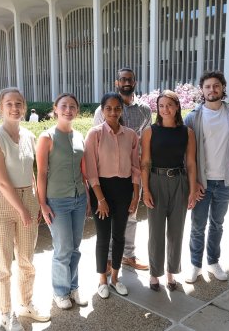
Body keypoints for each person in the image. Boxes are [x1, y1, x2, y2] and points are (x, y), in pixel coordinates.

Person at [0, 87, 50, 331]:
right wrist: (23, 210)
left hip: (27, 198)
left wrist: (35, 202)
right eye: (9, 103)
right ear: (1, 107)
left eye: (19, 103)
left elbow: (31, 173)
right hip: (1, 203)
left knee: (26, 261)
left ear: (25, 106)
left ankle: (26, 304)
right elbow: (1, 180)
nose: (15, 108)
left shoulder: (29, 136)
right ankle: (5, 313)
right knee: (2, 265)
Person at [184, 71, 229, 283]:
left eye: (216, 86)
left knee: (217, 224)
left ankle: (213, 262)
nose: (212, 90)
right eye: (207, 86)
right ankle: (195, 264)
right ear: (202, 91)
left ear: (222, 87)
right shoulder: (192, 117)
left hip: (224, 182)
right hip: (201, 183)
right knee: (197, 225)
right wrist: (193, 182)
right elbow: (185, 155)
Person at [93, 67, 151, 272]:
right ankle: (108, 259)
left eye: (130, 79)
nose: (126, 82)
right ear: (116, 83)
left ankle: (128, 255)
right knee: (108, 217)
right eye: (122, 79)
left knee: (131, 215)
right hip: (108, 174)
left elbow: (146, 142)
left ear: (135, 82)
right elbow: (98, 142)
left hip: (132, 172)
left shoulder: (145, 110)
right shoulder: (104, 109)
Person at [141, 90, 199, 291]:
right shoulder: (150, 131)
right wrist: (145, 190)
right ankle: (154, 274)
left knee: (176, 231)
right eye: (162, 105)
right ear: (157, 108)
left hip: (179, 182)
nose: (166, 109)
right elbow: (145, 162)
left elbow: (191, 163)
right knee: (155, 231)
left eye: (170, 105)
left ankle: (171, 273)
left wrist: (192, 190)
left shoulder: (187, 132)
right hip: (155, 182)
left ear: (177, 107)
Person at [35, 93, 89, 310]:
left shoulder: (79, 136)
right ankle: (60, 291)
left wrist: (88, 198)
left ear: (77, 110)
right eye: (64, 106)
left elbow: (83, 171)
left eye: (72, 106)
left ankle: (73, 287)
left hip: (79, 199)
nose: (68, 110)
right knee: (63, 248)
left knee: (75, 247)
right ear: (55, 109)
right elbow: (41, 173)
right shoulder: (47, 137)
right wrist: (42, 203)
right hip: (57, 201)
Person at [84, 92, 141, 299]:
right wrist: (100, 199)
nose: (113, 112)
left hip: (124, 189)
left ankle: (115, 278)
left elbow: (136, 168)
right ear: (102, 110)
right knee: (103, 236)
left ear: (122, 110)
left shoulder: (131, 135)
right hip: (101, 189)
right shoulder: (95, 134)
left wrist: (136, 196)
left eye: (117, 108)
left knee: (119, 236)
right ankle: (102, 280)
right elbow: (91, 171)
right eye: (108, 108)